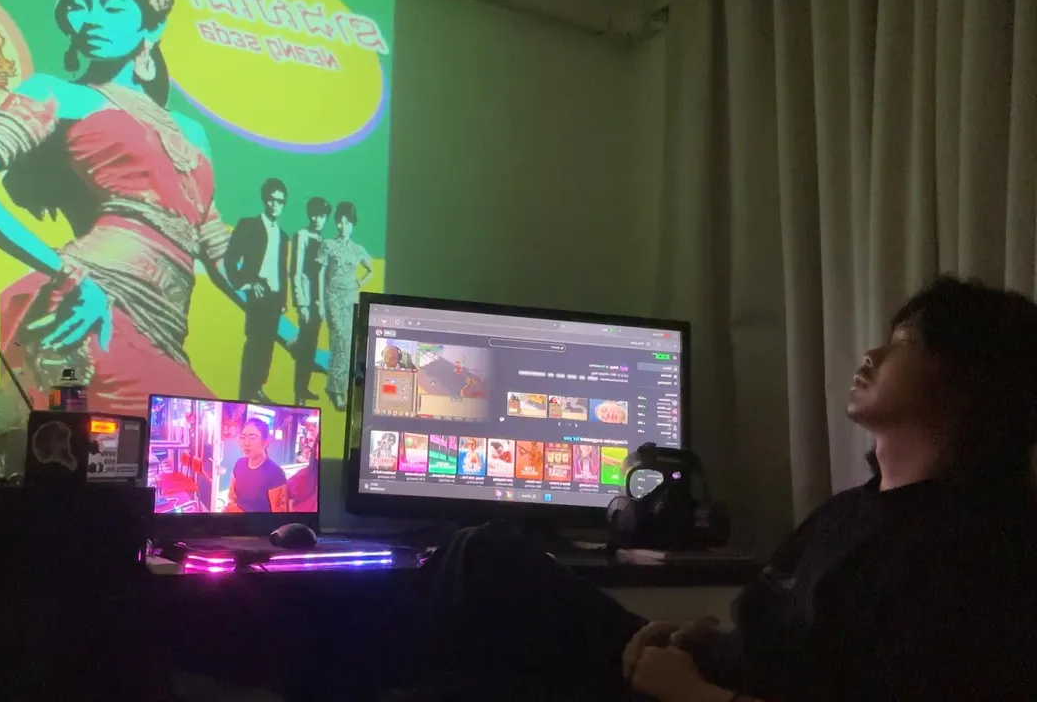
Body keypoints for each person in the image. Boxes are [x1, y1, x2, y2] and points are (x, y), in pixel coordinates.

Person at [374, 276, 1037, 701]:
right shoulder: (850, 513)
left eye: (902, 343)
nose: (871, 357)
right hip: (703, 675)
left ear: (969, 380)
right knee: (485, 561)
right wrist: (704, 642)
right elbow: (786, 645)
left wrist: (692, 692)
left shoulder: (973, 553)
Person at [0, 0, 228, 414]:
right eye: (78, 5)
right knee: (163, 436)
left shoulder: (192, 132)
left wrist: (303, 344)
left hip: (165, 327)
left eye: (110, 6)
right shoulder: (56, 94)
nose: (90, 19)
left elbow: (217, 250)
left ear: (153, 25)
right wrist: (68, 273)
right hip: (91, 305)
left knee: (185, 440)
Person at [226, 179, 290, 404]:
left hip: (275, 297)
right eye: (271, 200)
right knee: (254, 344)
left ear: (283, 204)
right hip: (258, 293)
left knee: (268, 346)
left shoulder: (283, 236)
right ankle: (245, 394)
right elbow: (230, 259)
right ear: (265, 200)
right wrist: (248, 284)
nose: (275, 205)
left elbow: (282, 270)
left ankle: (257, 388)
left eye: (279, 201)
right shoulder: (249, 225)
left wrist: (283, 300)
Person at [316, 201, 374, 411]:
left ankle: (337, 387)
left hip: (351, 299)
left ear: (353, 224)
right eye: (340, 222)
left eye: (347, 222)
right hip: (333, 298)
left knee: (348, 344)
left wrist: (359, 282)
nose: (343, 226)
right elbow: (320, 275)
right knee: (339, 340)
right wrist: (320, 302)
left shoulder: (357, 250)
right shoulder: (328, 245)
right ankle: (336, 390)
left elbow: (371, 270)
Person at [289, 197, 329, 405]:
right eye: (314, 214)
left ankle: (304, 388)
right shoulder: (302, 235)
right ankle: (298, 395)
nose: (317, 219)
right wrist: (301, 303)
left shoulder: (323, 241)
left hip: (318, 302)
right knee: (305, 346)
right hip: (307, 300)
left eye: (321, 215)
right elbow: (296, 271)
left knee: (311, 345)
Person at [226, 419, 289, 513]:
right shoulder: (239, 463)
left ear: (265, 442)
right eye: (243, 437)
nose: (246, 443)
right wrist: (231, 506)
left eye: (252, 437)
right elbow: (232, 494)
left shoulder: (276, 474)